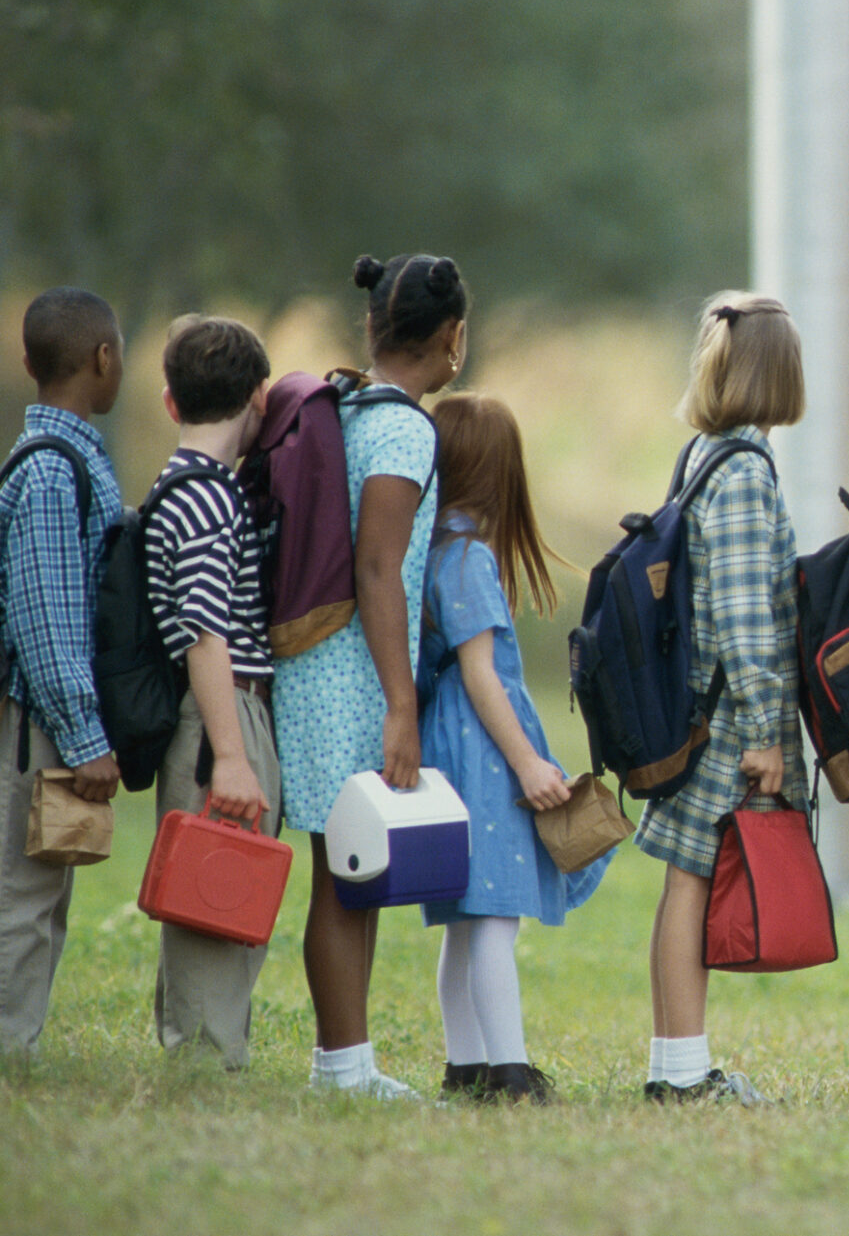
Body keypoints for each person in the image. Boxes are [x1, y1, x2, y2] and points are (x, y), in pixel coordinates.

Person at [273, 253, 467, 1098]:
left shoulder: (347, 406)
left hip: (316, 661)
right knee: (346, 875)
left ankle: (346, 1061)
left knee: (347, 865)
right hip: (355, 672)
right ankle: (342, 1066)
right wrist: (401, 704)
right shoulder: (406, 430)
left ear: (372, 328)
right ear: (453, 339)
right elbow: (380, 567)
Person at [638, 293, 806, 1106]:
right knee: (694, 881)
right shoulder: (741, 473)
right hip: (727, 718)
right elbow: (744, 614)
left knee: (685, 879)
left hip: (700, 706)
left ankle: (676, 1064)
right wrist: (769, 731)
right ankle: (680, 1071)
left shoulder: (704, 454)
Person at [418, 391, 604, 1105]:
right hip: (481, 748)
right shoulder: (467, 556)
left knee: (466, 920)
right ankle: (510, 1072)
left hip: (456, 740)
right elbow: (480, 673)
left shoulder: (439, 546)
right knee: (494, 915)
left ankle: (466, 1067)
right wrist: (528, 759)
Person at [143, 315, 279, 1069]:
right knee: (214, 892)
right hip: (221, 714)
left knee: (228, 889)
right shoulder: (204, 498)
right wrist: (229, 754)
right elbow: (204, 631)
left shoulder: (205, 489)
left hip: (230, 709)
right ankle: (204, 1060)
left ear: (171, 401)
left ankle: (211, 1048)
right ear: (259, 396)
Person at [0, 288, 125, 1055]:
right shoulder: (52, 472)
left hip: (50, 716)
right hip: (40, 720)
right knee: (22, 892)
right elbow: (46, 620)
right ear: (103, 359)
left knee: (42, 890)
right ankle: (10, 1050)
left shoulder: (61, 458)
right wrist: (83, 736)